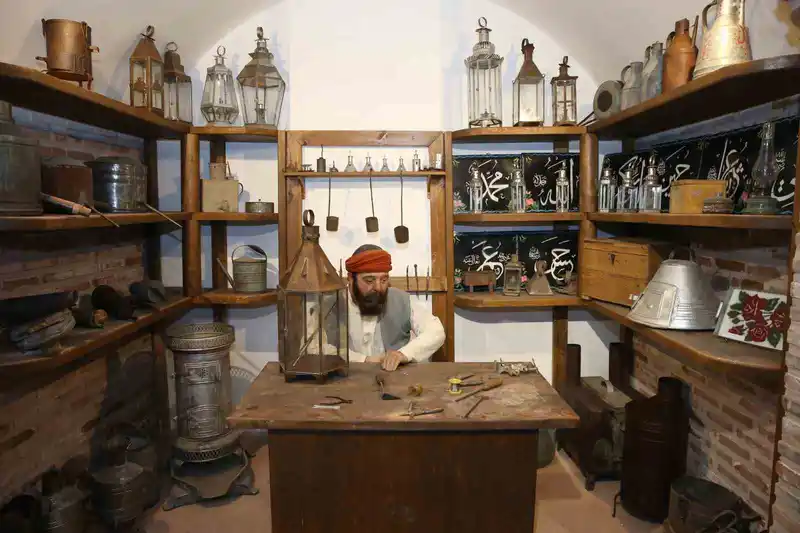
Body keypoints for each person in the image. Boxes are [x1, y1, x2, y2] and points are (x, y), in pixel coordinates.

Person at [344, 244, 445, 371]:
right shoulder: (333, 304)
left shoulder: (400, 299)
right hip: (347, 376)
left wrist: (403, 354)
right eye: (369, 281)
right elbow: (320, 348)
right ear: (350, 278)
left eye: (383, 280)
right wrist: (363, 359)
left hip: (393, 376)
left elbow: (435, 331)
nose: (378, 288)